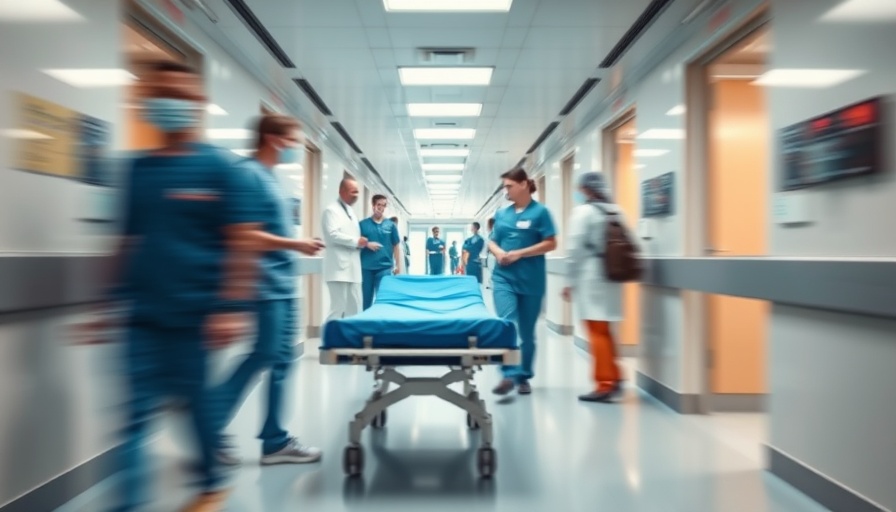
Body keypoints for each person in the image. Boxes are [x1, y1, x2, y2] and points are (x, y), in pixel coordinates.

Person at [99, 60, 266, 512]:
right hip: (142, 316)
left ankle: (212, 481)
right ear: (146, 101)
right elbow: (126, 240)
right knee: (133, 420)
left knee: (195, 407)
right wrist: (105, 302)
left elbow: (241, 243)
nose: (169, 102)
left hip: (196, 316)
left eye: (180, 93)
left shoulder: (221, 169)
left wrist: (232, 306)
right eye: (160, 93)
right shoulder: (137, 170)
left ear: (197, 103)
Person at [214, 114, 327, 467]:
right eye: (292, 139)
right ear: (272, 138)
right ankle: (212, 422)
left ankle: (273, 440)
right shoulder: (247, 174)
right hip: (265, 288)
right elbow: (244, 234)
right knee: (265, 357)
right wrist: (297, 244)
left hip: (282, 285)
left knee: (278, 362)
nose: (295, 147)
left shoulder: (272, 179)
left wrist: (296, 247)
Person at [489, 168, 557, 396]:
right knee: (509, 324)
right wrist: (498, 253)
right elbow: (492, 241)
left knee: (527, 334)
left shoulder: (541, 213)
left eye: (509, 186)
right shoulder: (502, 214)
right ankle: (509, 374)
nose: (505, 190)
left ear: (524, 184)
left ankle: (523, 376)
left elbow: (551, 243)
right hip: (503, 278)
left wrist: (520, 253)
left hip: (531, 281)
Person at [562, 172, 625, 402]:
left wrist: (569, 281)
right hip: (612, 275)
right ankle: (616, 376)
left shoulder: (583, 212)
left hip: (592, 276)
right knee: (605, 330)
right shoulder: (616, 210)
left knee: (596, 330)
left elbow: (574, 250)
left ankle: (604, 384)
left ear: (586, 190)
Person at [322, 177, 376, 321]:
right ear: (342, 191)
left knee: (355, 307)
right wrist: (356, 241)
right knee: (338, 307)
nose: (356, 195)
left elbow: (353, 236)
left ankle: (350, 339)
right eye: (353, 192)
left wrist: (364, 243)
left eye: (357, 192)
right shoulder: (331, 210)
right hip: (338, 268)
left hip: (353, 268)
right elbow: (332, 235)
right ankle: (329, 340)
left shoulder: (350, 211)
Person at [359, 195, 402, 309]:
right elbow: (357, 243)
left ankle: (381, 325)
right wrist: (367, 244)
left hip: (384, 268)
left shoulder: (391, 225)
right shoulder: (363, 225)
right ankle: (367, 324)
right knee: (366, 301)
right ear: (373, 206)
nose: (381, 208)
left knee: (382, 300)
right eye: (379, 205)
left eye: (384, 205)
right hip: (366, 268)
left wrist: (398, 266)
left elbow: (396, 246)